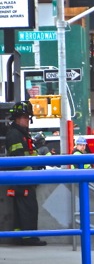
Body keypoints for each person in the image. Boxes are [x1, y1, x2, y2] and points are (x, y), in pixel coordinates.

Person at [5, 101, 47, 246]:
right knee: (28, 209)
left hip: (24, 179)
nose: (27, 120)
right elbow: (18, 160)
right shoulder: (15, 135)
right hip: (23, 180)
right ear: (16, 118)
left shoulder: (21, 134)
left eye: (28, 117)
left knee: (22, 210)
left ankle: (20, 236)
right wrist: (34, 169)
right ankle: (29, 238)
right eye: (24, 117)